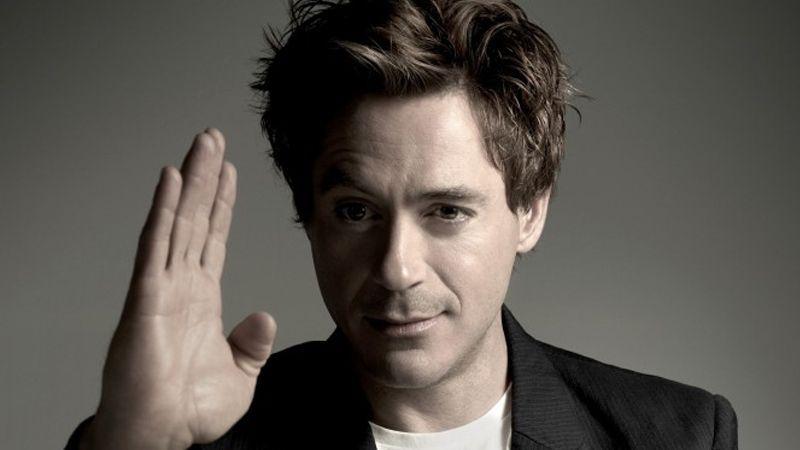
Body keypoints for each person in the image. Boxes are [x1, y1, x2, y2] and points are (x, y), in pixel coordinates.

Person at [67, 0, 738, 448]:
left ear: (530, 211)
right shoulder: (211, 436)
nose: (396, 268)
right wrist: (126, 442)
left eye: (447, 211)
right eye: (356, 211)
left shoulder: (677, 435)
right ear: (310, 215)